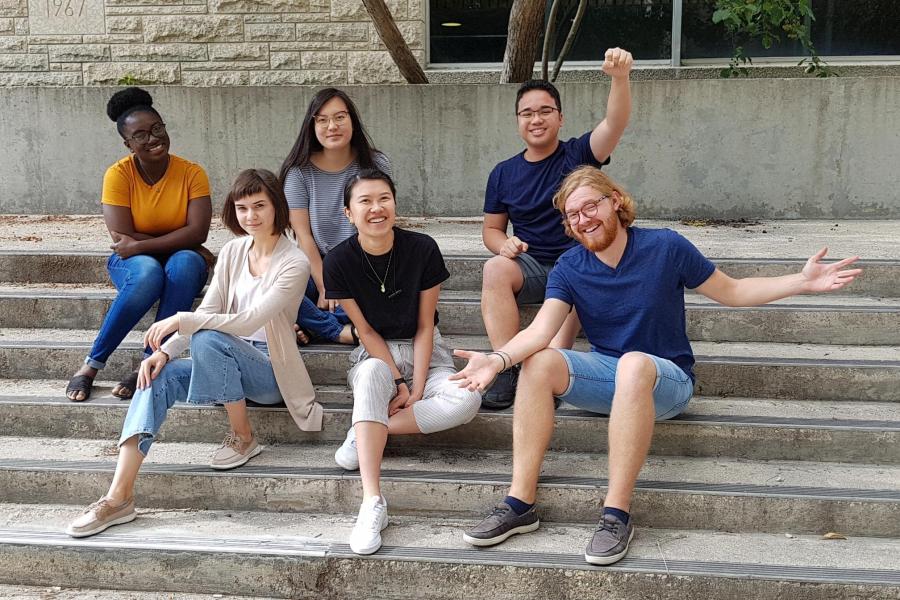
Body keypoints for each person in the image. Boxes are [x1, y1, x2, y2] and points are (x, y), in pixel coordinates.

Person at [453, 166, 861, 565]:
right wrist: (497, 358)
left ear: (614, 202)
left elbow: (733, 291)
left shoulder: (665, 247)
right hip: (610, 377)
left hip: (667, 381)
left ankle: (616, 515)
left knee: (633, 363)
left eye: (590, 207)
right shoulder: (570, 267)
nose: (583, 220)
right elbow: (540, 330)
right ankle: (520, 502)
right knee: (539, 363)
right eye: (573, 215)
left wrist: (801, 282)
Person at [66, 169, 323, 539]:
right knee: (154, 375)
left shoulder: (294, 261)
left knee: (208, 339)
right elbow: (209, 311)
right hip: (222, 364)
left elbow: (251, 318)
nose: (251, 216)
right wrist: (165, 355)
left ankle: (243, 436)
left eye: (260, 206)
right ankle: (118, 496)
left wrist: (182, 320)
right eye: (243, 208)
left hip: (270, 372)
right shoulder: (234, 251)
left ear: (277, 207)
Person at [324, 169, 481, 555]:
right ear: (348, 212)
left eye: (383, 198)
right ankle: (372, 502)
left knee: (467, 399)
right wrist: (398, 383)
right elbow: (365, 332)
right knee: (374, 372)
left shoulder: (422, 248)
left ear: (394, 202)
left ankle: (367, 430)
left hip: (428, 350)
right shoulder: (339, 261)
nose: (376, 208)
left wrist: (419, 385)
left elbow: (425, 326)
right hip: (376, 354)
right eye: (364, 201)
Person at [480, 48, 634, 408]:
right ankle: (505, 367)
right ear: (518, 121)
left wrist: (620, 78)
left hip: (576, 264)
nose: (536, 119)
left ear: (560, 118)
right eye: (527, 113)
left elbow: (615, 123)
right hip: (531, 265)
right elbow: (491, 229)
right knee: (494, 269)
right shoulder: (502, 172)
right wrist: (504, 245)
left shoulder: (576, 155)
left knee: (581, 275)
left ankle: (549, 373)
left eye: (545, 111)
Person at [65, 87, 213, 402]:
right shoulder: (118, 175)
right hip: (132, 261)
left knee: (185, 263)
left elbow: (198, 231)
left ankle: (150, 360)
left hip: (174, 257)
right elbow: (122, 238)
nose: (153, 138)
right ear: (128, 144)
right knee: (148, 273)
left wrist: (149, 243)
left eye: (157, 128)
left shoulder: (192, 172)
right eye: (141, 134)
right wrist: (179, 239)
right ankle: (91, 365)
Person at [280, 87, 392, 346]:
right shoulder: (298, 173)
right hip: (315, 264)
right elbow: (304, 236)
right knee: (279, 291)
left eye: (340, 117)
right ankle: (341, 330)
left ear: (353, 120)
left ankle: (314, 326)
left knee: (376, 297)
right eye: (322, 119)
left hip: (363, 260)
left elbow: (381, 222)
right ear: (312, 125)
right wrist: (326, 286)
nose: (332, 126)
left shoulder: (375, 164)